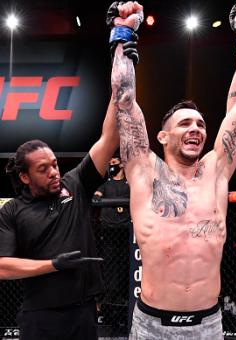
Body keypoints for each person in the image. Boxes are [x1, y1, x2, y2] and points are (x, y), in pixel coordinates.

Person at [108, 1, 236, 339]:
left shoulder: (216, 171)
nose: (196, 129)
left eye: (201, 124)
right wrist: (123, 35)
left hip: (208, 325)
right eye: (185, 124)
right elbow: (124, 101)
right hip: (152, 326)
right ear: (162, 136)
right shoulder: (143, 171)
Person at [0, 38, 138, 339]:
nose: (54, 172)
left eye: (54, 164)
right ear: (24, 177)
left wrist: (123, 75)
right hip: (40, 316)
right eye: (43, 169)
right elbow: (2, 267)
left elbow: (108, 139)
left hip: (83, 312)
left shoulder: (74, 183)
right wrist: (53, 265)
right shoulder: (12, 210)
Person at [93, 152, 131, 332]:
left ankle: (124, 314)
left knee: (124, 274)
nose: (111, 165)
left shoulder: (129, 184)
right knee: (110, 276)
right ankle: (109, 314)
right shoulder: (106, 183)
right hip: (108, 235)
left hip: (126, 236)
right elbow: (96, 195)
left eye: (114, 162)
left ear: (122, 164)